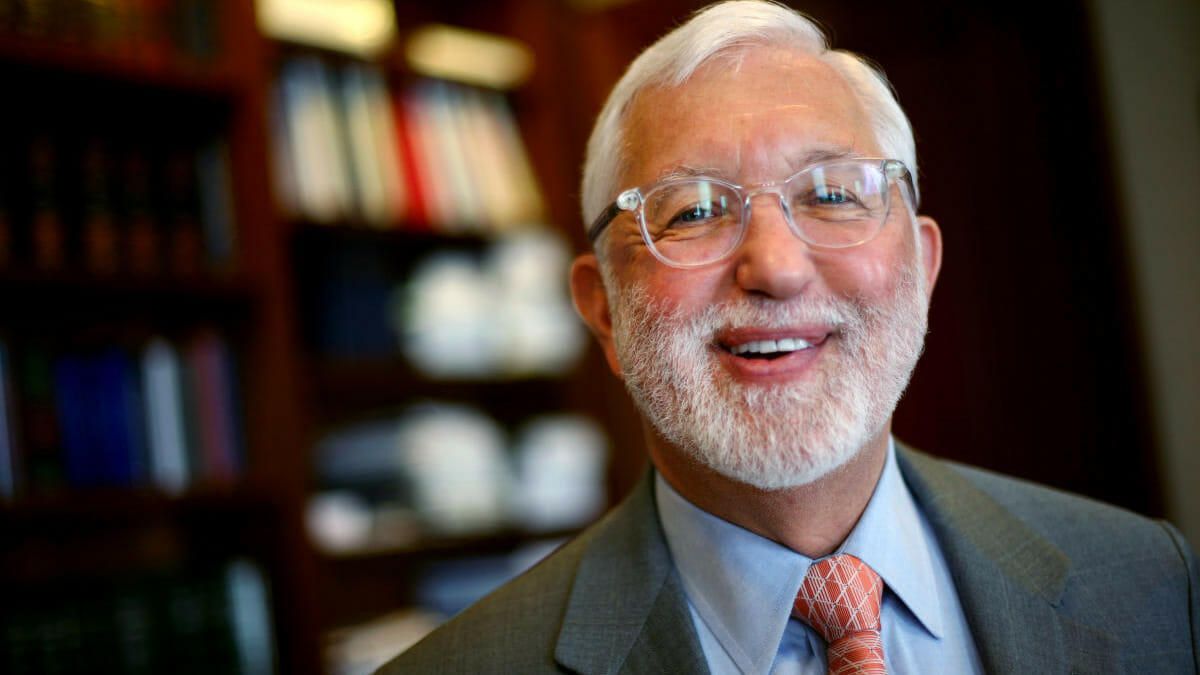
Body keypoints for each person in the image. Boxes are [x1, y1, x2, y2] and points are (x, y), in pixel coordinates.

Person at [376, 1, 1199, 672]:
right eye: (693, 211)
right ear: (604, 311)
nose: (775, 266)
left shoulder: (1155, 584)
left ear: (922, 265)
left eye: (832, 195)